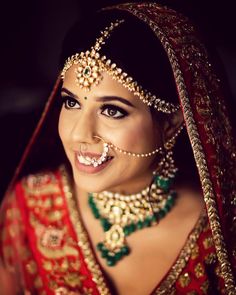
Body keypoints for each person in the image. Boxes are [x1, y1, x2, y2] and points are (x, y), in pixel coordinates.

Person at [0, 2, 236, 294]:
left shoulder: (221, 236)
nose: (79, 134)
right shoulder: (29, 208)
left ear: (172, 124)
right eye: (71, 102)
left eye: (112, 110)